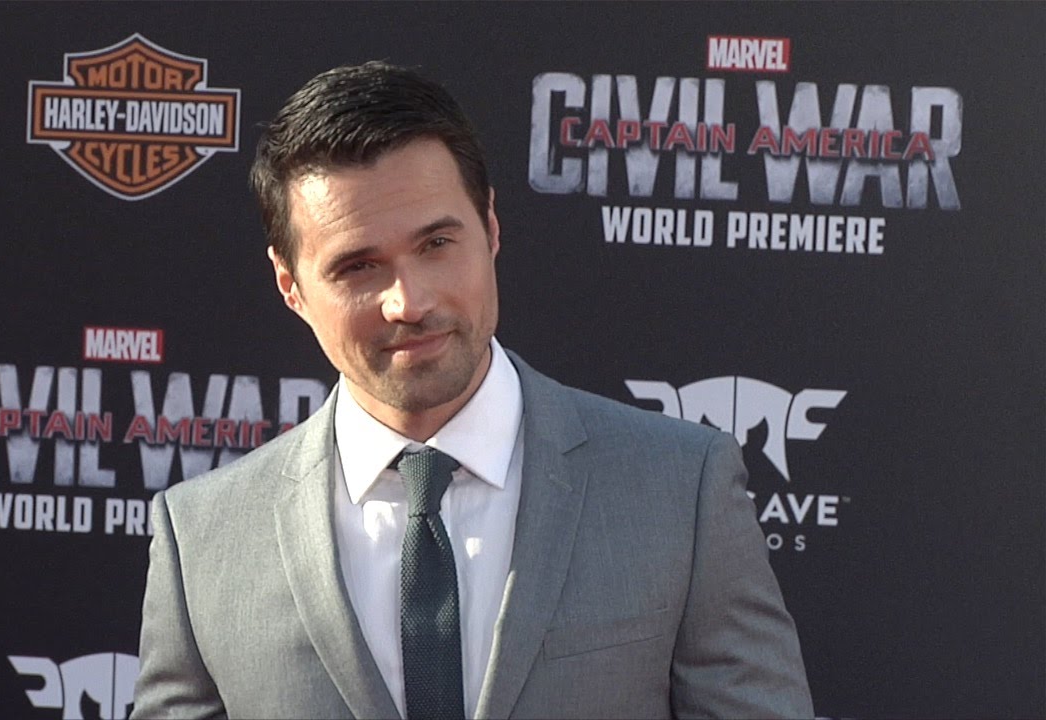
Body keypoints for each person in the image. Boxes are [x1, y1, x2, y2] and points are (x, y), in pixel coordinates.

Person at [131, 61, 813, 720]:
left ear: (489, 228)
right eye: (358, 266)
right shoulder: (203, 539)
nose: (410, 301)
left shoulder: (678, 492)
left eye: (435, 244)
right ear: (290, 285)